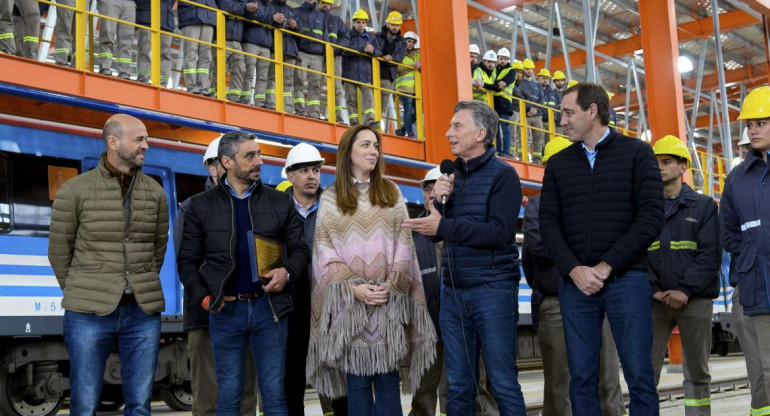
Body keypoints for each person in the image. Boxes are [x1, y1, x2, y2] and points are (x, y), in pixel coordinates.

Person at [539, 82, 663, 416]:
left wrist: (608, 266)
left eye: (568, 113)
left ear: (592, 111)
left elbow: (651, 216)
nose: (562, 121)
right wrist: (574, 269)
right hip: (576, 285)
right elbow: (548, 224)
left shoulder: (637, 153)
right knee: (581, 378)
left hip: (627, 280)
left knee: (639, 374)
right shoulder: (559, 164)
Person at [404, 100, 526, 415]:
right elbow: (441, 232)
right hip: (454, 290)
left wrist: (443, 224)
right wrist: (440, 204)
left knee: (502, 381)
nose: (448, 133)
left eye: (457, 126)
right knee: (458, 385)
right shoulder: (452, 176)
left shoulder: (504, 176)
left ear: (481, 133)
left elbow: (498, 232)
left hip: (492, 288)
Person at [306, 125, 436, 415]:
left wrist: (390, 287)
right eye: (365, 145)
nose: (373, 151)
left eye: (376, 146)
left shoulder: (391, 192)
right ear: (348, 152)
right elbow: (324, 251)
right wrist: (353, 288)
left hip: (387, 305)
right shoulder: (331, 197)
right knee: (358, 384)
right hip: (349, 309)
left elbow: (405, 246)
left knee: (389, 381)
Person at [177, 131, 309, 415]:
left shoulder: (278, 202)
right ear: (227, 161)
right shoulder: (200, 207)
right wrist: (205, 298)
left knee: (275, 396)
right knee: (228, 397)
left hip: (270, 310)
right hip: (226, 312)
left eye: (258, 154)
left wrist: (286, 272)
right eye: (250, 156)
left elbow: (300, 251)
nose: (259, 161)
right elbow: (186, 262)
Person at [48, 114, 169, 415]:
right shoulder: (75, 190)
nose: (147, 145)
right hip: (87, 313)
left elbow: (158, 247)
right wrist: (81, 290)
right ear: (114, 142)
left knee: (140, 405)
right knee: (85, 403)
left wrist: (139, 281)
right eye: (139, 139)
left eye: (146, 139)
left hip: (141, 311)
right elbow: (59, 250)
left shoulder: (155, 192)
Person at [522, 136, 627, 416]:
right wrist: (582, 261)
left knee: (607, 377)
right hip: (556, 300)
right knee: (560, 379)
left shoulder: (599, 201)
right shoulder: (535, 205)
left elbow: (612, 243)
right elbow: (537, 248)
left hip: (599, 298)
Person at [174, 136, 259, 416]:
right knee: (209, 398)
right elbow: (188, 263)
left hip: (246, 312)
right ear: (215, 167)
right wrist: (209, 297)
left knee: (246, 396)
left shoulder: (253, 204)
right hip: (207, 315)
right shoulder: (192, 208)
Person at [648, 135, 720, 416]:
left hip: (695, 301)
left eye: (666, 162)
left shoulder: (703, 207)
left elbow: (709, 254)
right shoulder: (646, 207)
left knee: (697, 370)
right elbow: (637, 253)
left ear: (682, 167)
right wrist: (653, 289)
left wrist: (685, 290)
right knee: (645, 368)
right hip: (656, 301)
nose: (660, 168)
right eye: (656, 163)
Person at [721, 86, 770, 416]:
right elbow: (730, 232)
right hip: (756, 287)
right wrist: (752, 257)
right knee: (763, 374)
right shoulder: (738, 178)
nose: (751, 129)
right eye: (749, 124)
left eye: (761, 122)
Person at [281, 142, 327, 416]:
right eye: (304, 170)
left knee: (334, 380)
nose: (312, 175)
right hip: (291, 305)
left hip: (329, 305)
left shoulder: (335, 207)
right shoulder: (277, 209)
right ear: (290, 175)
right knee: (292, 379)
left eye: (316, 169)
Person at [409, 167, 448, 416]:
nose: (432, 192)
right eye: (427, 187)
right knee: (423, 388)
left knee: (461, 384)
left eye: (437, 185)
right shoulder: (412, 231)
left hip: (459, 320)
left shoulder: (458, 226)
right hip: (425, 323)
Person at [342, 9, 381, 127]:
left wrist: (373, 50)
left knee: (369, 98)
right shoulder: (348, 34)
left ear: (366, 24)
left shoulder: (371, 37)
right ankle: (354, 123)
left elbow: (379, 52)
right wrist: (363, 48)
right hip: (350, 72)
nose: (361, 25)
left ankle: (370, 121)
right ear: (354, 22)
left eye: (363, 23)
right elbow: (345, 49)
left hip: (365, 73)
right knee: (351, 100)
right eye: (358, 22)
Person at [215, 0, 257, 102]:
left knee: (240, 67)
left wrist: (251, 10)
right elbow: (227, 7)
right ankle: (219, 94)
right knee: (219, 68)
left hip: (237, 40)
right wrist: (245, 7)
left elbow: (250, 16)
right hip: (222, 37)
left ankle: (234, 97)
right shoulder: (242, 3)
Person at [293, 0, 329, 118]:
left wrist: (325, 56)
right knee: (299, 81)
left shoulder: (321, 16)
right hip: (302, 52)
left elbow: (325, 37)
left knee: (316, 85)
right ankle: (299, 110)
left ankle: (313, 113)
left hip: (318, 57)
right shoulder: (297, 11)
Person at [178, 0, 216, 96]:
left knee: (206, 56)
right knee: (191, 53)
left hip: (208, 17)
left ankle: (203, 87)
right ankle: (191, 86)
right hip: (190, 15)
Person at [268, 0, 300, 113]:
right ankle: (271, 103)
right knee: (272, 77)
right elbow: (263, 21)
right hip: (274, 48)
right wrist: (273, 19)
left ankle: (288, 107)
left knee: (288, 81)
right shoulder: (269, 6)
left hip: (290, 51)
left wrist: (295, 26)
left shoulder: (292, 11)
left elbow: (301, 31)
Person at [375, 10, 405, 125]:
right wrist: (383, 57)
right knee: (370, 99)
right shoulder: (377, 36)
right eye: (393, 24)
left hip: (388, 76)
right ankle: (368, 121)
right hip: (374, 73)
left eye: (397, 25)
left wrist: (391, 58)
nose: (395, 28)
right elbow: (375, 51)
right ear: (387, 24)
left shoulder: (402, 41)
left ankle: (376, 123)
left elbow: (400, 57)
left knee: (384, 99)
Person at [243, 0, 275, 108]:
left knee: (263, 77)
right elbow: (252, 16)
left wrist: (277, 20)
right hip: (251, 42)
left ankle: (260, 103)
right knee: (249, 73)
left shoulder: (271, 7)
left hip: (266, 47)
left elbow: (277, 24)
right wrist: (271, 19)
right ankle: (245, 99)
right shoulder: (253, 1)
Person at [135, 0, 174, 84]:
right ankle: (143, 78)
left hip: (165, 21)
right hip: (147, 18)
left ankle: (163, 81)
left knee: (165, 53)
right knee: (145, 50)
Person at [97, 0, 136, 78]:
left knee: (126, 41)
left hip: (130, 3)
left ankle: (124, 71)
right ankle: (105, 67)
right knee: (107, 35)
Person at [325, 2, 349, 122]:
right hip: (317, 55)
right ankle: (313, 113)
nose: (326, 6)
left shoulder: (336, 21)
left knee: (337, 88)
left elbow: (345, 37)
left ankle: (338, 116)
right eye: (323, 3)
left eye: (328, 4)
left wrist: (336, 49)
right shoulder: (314, 16)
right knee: (315, 85)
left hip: (334, 56)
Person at [518, 58, 545, 163]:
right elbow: (521, 99)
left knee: (538, 137)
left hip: (537, 115)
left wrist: (535, 110)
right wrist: (528, 109)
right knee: (523, 137)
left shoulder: (537, 85)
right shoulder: (520, 83)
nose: (529, 71)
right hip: (525, 114)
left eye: (531, 69)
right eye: (527, 68)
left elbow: (542, 99)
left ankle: (537, 159)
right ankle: (522, 156)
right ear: (523, 70)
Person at [394, 30, 420, 138]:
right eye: (409, 41)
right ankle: (410, 133)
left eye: (413, 42)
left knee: (418, 112)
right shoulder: (399, 53)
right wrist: (412, 65)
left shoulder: (417, 55)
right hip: (404, 87)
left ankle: (402, 130)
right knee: (408, 110)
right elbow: (397, 69)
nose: (410, 44)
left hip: (416, 88)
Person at [493, 47, 516, 158]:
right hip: (494, 101)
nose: (503, 61)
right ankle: (497, 150)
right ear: (497, 59)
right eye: (501, 58)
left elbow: (501, 85)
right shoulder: (494, 69)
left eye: (505, 59)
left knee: (505, 128)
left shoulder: (511, 71)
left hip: (505, 102)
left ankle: (505, 152)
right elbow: (496, 83)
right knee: (495, 128)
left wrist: (496, 85)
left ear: (508, 60)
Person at [551, 70, 566, 135]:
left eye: (561, 80)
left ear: (564, 81)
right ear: (554, 82)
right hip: (557, 125)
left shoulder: (567, 93)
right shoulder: (551, 93)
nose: (560, 82)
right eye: (558, 81)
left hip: (567, 124)